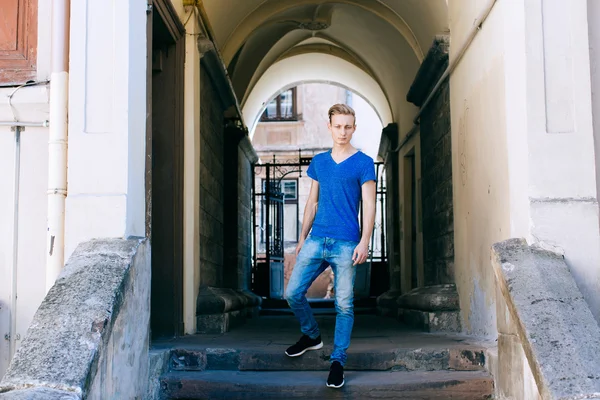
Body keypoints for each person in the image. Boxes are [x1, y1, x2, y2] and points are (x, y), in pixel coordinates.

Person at [284, 103, 376, 389]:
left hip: (347, 243)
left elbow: (370, 205)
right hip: (316, 239)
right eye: (338, 126)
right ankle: (311, 334)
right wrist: (302, 238)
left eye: (348, 126)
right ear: (329, 127)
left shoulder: (363, 162)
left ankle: (337, 362)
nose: (343, 131)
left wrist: (365, 240)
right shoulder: (320, 162)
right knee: (292, 293)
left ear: (354, 127)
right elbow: (311, 202)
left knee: (344, 305)